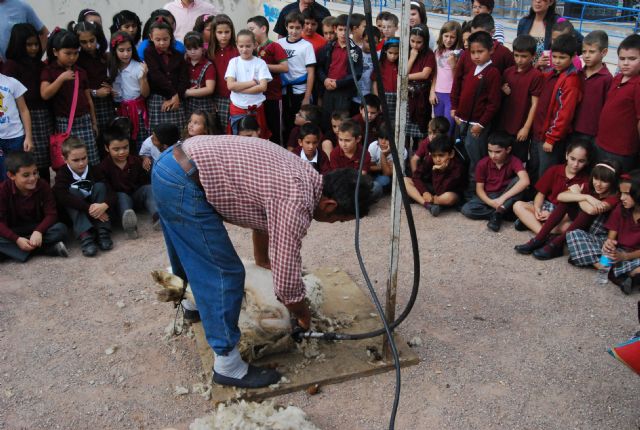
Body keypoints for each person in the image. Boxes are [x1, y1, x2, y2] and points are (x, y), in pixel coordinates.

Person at [151, 134, 372, 388]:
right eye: (339, 220)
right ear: (330, 205)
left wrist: (262, 260)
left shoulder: (307, 176)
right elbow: (288, 281)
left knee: (190, 248)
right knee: (225, 273)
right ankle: (228, 365)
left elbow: (265, 218)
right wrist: (302, 313)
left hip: (172, 162)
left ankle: (194, 306)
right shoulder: (297, 200)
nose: (335, 224)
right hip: (184, 180)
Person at [516, 160, 620, 259]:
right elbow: (560, 197)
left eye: (604, 181)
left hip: (595, 230)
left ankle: (556, 244)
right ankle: (539, 238)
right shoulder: (589, 187)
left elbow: (591, 211)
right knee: (566, 202)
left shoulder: (614, 197)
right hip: (578, 223)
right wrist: (586, 197)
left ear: (613, 182)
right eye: (596, 178)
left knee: (583, 210)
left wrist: (577, 194)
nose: (598, 184)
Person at [566, 171, 640, 294]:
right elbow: (612, 236)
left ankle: (589, 260)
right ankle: (616, 274)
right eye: (621, 193)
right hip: (618, 249)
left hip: (634, 254)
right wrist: (609, 244)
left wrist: (625, 257)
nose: (622, 198)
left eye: (627, 194)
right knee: (574, 234)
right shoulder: (621, 208)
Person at [450, 31, 502, 191]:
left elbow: (493, 104)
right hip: (462, 121)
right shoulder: (471, 67)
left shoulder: (492, 73)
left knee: (475, 161)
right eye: (473, 52)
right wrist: (454, 109)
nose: (476, 56)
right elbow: (457, 87)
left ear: (491, 50)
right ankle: (460, 188)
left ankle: (473, 193)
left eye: (480, 52)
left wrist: (481, 124)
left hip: (476, 126)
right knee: (460, 156)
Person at [40, 29, 100, 166]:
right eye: (67, 53)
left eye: (75, 53)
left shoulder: (80, 71)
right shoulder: (49, 71)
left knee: (90, 160)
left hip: (85, 120)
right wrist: (61, 79)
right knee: (71, 161)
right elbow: (45, 94)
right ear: (55, 52)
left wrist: (94, 122)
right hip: (65, 122)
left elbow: (88, 99)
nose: (72, 57)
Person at [529, 33, 582, 183]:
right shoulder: (552, 73)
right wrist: (538, 66)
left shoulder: (571, 81)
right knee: (534, 167)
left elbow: (564, 114)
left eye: (562, 57)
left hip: (550, 138)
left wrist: (551, 138)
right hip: (538, 133)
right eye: (555, 56)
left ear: (573, 57)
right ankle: (530, 201)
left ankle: (542, 202)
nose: (557, 61)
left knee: (545, 172)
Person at [3, 23, 52, 181]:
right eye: (28, 45)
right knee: (30, 160)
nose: (33, 49)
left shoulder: (38, 64)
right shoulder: (11, 67)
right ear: (18, 45)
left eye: (36, 44)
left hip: (43, 116)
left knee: (44, 159)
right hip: (24, 117)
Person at [52, 136, 115, 257]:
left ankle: (103, 232)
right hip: (78, 214)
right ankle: (85, 236)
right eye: (75, 160)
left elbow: (111, 192)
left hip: (98, 212)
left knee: (100, 186)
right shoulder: (62, 174)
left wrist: (104, 205)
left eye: (84, 158)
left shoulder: (94, 169)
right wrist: (89, 208)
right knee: (71, 193)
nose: (81, 163)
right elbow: (62, 197)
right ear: (64, 159)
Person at [0, 152, 68, 262]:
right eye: (26, 175)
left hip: (36, 227)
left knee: (61, 230)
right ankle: (47, 249)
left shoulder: (43, 185)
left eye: (35, 172)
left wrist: (39, 231)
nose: (32, 178)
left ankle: (12, 251)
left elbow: (52, 214)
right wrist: (16, 239)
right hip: (13, 230)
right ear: (11, 175)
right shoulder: (3, 190)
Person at [513, 138, 591, 233]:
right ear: (567, 155)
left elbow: (575, 211)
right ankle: (542, 232)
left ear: (587, 162)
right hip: (546, 206)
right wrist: (538, 209)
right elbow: (540, 194)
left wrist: (552, 216)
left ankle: (535, 227)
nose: (575, 164)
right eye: (572, 159)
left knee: (569, 227)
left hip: (564, 215)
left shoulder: (586, 180)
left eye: (581, 161)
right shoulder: (555, 170)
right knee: (518, 205)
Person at [461, 132, 530, 232]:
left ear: (508, 149)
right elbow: (479, 189)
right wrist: (491, 203)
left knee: (519, 181)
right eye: (490, 151)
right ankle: (501, 213)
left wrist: (502, 198)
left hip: (506, 195)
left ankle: (499, 213)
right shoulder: (483, 163)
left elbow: (525, 181)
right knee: (466, 209)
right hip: (489, 196)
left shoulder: (514, 161)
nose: (493, 155)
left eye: (498, 152)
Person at [99, 126, 158, 239]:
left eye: (125, 147)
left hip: (136, 195)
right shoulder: (103, 167)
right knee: (121, 196)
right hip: (118, 201)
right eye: (116, 149)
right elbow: (108, 190)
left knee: (148, 188)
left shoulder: (135, 161)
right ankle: (130, 227)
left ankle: (157, 216)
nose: (122, 152)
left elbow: (143, 181)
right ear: (107, 148)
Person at [594, 34, 640, 173]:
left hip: (621, 151)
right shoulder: (618, 78)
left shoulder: (638, 84)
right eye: (622, 59)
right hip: (601, 143)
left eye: (632, 59)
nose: (625, 63)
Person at [498, 34, 543, 163]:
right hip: (504, 124)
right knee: (502, 158)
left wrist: (526, 128)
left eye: (524, 56)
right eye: (516, 55)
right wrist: (502, 91)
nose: (519, 60)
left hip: (520, 126)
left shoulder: (536, 76)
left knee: (518, 161)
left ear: (533, 56)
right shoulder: (508, 72)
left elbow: (535, 104)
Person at [317, 14, 363, 131]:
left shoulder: (355, 51)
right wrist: (325, 80)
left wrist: (338, 83)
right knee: (326, 121)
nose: (343, 33)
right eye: (340, 29)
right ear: (335, 30)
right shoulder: (328, 47)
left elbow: (356, 74)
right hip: (328, 90)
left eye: (346, 30)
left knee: (342, 124)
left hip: (344, 93)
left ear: (352, 30)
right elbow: (320, 67)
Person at [247, 16, 288, 146]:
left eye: (252, 29)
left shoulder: (274, 46)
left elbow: (285, 67)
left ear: (263, 28)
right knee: (260, 130)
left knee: (276, 130)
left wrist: (262, 65)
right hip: (256, 98)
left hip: (273, 96)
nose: (249, 32)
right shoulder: (250, 49)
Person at [277, 12, 316, 145]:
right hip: (283, 90)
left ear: (302, 28)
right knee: (284, 122)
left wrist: (307, 96)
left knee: (298, 124)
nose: (294, 31)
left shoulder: (307, 46)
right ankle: (285, 148)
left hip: (300, 91)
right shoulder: (279, 43)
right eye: (291, 27)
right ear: (286, 27)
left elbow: (311, 73)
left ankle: (297, 149)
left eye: (298, 28)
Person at [145, 17, 189, 131]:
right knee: (159, 135)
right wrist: (173, 94)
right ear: (151, 37)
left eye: (165, 39)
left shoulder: (178, 55)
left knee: (178, 133)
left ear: (171, 37)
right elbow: (156, 75)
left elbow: (184, 78)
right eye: (157, 39)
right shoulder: (149, 52)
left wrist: (176, 96)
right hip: (158, 100)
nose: (162, 43)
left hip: (176, 100)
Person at [405, 133, 466, 217]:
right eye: (434, 156)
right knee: (405, 180)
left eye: (441, 155)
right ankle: (428, 205)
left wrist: (439, 171)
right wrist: (424, 192)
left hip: (447, 192)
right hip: (432, 188)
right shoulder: (431, 158)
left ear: (451, 154)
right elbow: (416, 176)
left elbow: (440, 191)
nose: (437, 159)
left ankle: (428, 201)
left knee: (449, 198)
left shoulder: (457, 167)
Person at [225, 30, 272, 137]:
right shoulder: (233, 62)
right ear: (236, 45)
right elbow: (230, 85)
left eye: (248, 46)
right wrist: (252, 82)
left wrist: (238, 88)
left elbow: (263, 87)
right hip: (237, 106)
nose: (244, 49)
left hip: (256, 106)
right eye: (241, 46)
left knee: (258, 138)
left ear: (255, 45)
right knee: (237, 138)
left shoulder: (260, 63)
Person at [71, 21, 114, 138]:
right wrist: (96, 92)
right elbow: (77, 89)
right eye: (83, 42)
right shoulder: (76, 60)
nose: (89, 45)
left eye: (92, 40)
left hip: (107, 104)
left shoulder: (103, 56)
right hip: (89, 105)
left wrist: (111, 89)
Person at [109, 31, 150, 152]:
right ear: (114, 51)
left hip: (137, 111)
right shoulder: (112, 68)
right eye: (121, 50)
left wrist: (143, 78)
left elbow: (145, 93)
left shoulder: (139, 67)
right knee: (124, 142)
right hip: (121, 111)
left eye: (129, 49)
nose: (126, 54)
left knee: (140, 140)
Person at [572, 30, 611, 146]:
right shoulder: (578, 74)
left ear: (604, 52)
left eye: (592, 52)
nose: (586, 56)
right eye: (584, 51)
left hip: (592, 133)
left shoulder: (607, 79)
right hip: (571, 128)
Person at [405, 24, 436, 149]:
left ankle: (418, 158)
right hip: (407, 96)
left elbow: (425, 74)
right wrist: (412, 58)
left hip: (421, 96)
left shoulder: (429, 54)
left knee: (421, 131)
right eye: (412, 41)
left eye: (419, 42)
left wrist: (405, 77)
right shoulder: (407, 52)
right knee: (405, 132)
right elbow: (403, 70)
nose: (415, 45)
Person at [208, 14, 239, 133]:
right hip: (217, 98)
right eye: (219, 32)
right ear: (214, 33)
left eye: (227, 32)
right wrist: (211, 100)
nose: (224, 35)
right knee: (219, 130)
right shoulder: (210, 52)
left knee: (234, 129)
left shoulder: (237, 50)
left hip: (236, 96)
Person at [430, 21, 463, 134]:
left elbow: (459, 79)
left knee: (448, 128)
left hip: (451, 95)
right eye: (446, 36)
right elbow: (435, 73)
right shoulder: (438, 51)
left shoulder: (460, 54)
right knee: (437, 127)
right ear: (441, 36)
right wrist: (432, 91)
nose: (448, 40)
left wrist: (453, 66)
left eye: (452, 37)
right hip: (438, 93)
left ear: (457, 38)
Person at [0, 70, 32, 181]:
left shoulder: (12, 82)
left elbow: (24, 110)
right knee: (3, 175)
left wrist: (28, 137)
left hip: (16, 137)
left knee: (18, 172)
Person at [183, 31, 215, 118]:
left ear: (202, 48)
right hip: (188, 105)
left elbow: (209, 89)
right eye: (189, 49)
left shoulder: (208, 65)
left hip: (204, 106)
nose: (192, 52)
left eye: (196, 48)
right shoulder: (184, 63)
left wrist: (188, 92)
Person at [371, 38, 399, 123]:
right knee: (383, 121)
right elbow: (375, 83)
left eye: (396, 53)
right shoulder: (380, 65)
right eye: (390, 53)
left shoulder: (401, 65)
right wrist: (378, 100)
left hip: (398, 97)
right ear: (385, 51)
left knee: (395, 121)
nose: (393, 56)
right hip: (383, 97)